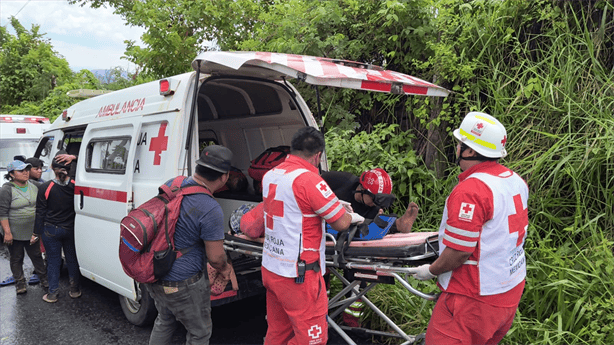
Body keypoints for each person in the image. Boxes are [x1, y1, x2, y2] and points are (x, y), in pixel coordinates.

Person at [411, 112, 529, 345]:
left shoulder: (471, 190)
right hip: (508, 290)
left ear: (470, 151)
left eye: (459, 143)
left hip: (471, 297)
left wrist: (431, 270)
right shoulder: (514, 179)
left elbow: (459, 252)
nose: (456, 147)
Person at [260, 126, 364, 345]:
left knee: (278, 333)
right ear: (318, 155)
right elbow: (342, 222)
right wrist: (350, 215)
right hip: (299, 276)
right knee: (312, 339)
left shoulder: (271, 175)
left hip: (272, 267)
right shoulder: (309, 180)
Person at [146, 145, 233, 345]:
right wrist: (226, 269)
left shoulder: (173, 183)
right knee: (199, 333)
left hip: (155, 272)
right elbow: (216, 257)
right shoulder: (210, 207)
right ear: (224, 177)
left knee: (165, 320)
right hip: (182, 283)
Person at [35, 151, 80, 303]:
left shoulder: (45, 188)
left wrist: (36, 232)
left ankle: (52, 294)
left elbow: (40, 213)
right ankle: (74, 290)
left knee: (53, 262)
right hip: (70, 229)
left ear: (52, 168)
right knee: (72, 259)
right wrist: (75, 158)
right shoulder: (76, 186)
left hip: (51, 230)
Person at [322, 168, 419, 233]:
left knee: (373, 224)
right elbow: (313, 183)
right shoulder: (342, 180)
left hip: (350, 223)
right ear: (363, 190)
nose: (377, 205)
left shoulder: (373, 206)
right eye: (375, 200)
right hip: (327, 215)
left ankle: (398, 224)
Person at [0, 160, 47, 293]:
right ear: (12, 174)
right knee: (16, 257)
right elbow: (2, 213)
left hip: (32, 230)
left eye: (27, 170)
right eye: (21, 171)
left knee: (37, 256)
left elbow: (48, 189)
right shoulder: (6, 189)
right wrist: (7, 232)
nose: (25, 173)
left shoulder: (34, 185)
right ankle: (20, 284)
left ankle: (45, 281)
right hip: (14, 231)